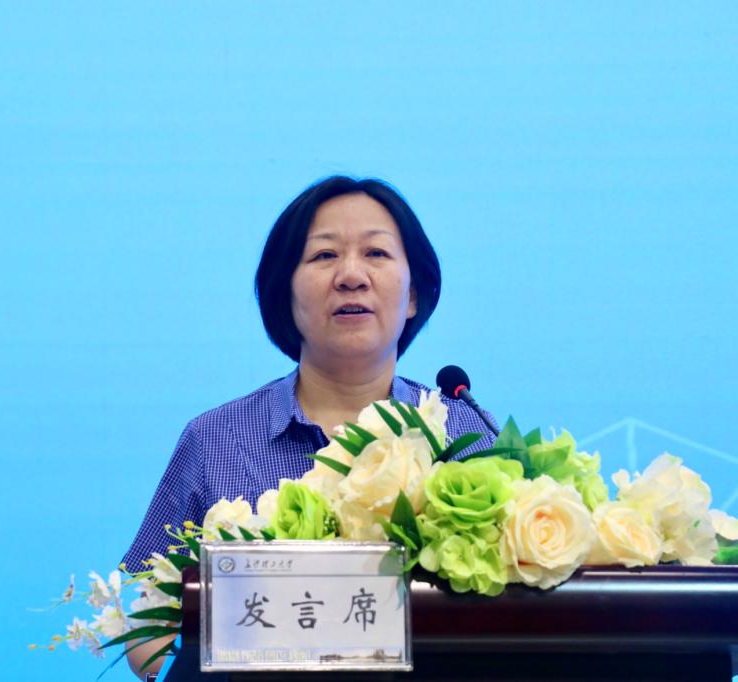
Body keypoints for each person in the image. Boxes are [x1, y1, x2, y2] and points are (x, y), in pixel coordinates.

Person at [123, 175, 497, 678]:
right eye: (324, 255)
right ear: (285, 293)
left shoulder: (467, 437)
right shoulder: (215, 439)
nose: (351, 276)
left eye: (377, 253)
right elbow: (145, 628)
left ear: (413, 294)